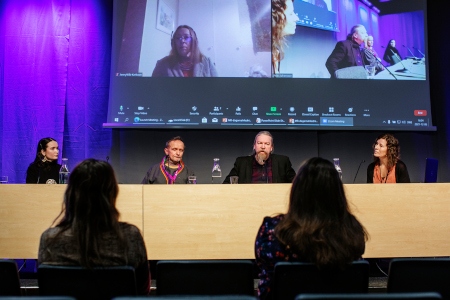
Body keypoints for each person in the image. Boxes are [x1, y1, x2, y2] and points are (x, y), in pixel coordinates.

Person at [255, 157, 368, 299]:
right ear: (338, 193)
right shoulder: (351, 229)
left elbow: (264, 272)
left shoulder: (272, 230)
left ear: (297, 191)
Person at [38, 159, 150, 295]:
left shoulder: (50, 239)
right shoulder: (131, 236)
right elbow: (142, 290)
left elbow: (47, 291)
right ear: (112, 193)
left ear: (71, 193)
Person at [223, 131, 296, 184]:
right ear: (254, 146)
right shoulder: (241, 163)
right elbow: (227, 185)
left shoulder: (282, 162)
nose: (263, 147)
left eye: (267, 144)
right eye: (259, 143)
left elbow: (296, 184)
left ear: (271, 148)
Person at [152, 25, 217, 77]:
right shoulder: (163, 64)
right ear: (174, 42)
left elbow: (216, 88)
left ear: (194, 41)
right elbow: (154, 90)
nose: (182, 41)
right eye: (178, 38)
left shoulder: (207, 63)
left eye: (186, 37)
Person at [272, 0, 300, 74]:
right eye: (291, 14)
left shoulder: (275, 52)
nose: (297, 18)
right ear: (275, 17)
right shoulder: (264, 56)